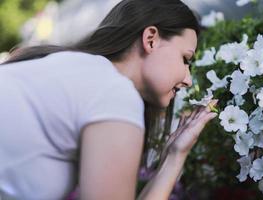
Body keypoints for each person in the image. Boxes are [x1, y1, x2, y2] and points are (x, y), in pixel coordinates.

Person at [0, 0, 218, 199]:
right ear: (151, 39)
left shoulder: (70, 66)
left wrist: (174, 155)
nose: (188, 80)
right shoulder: (114, 93)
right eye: (185, 59)